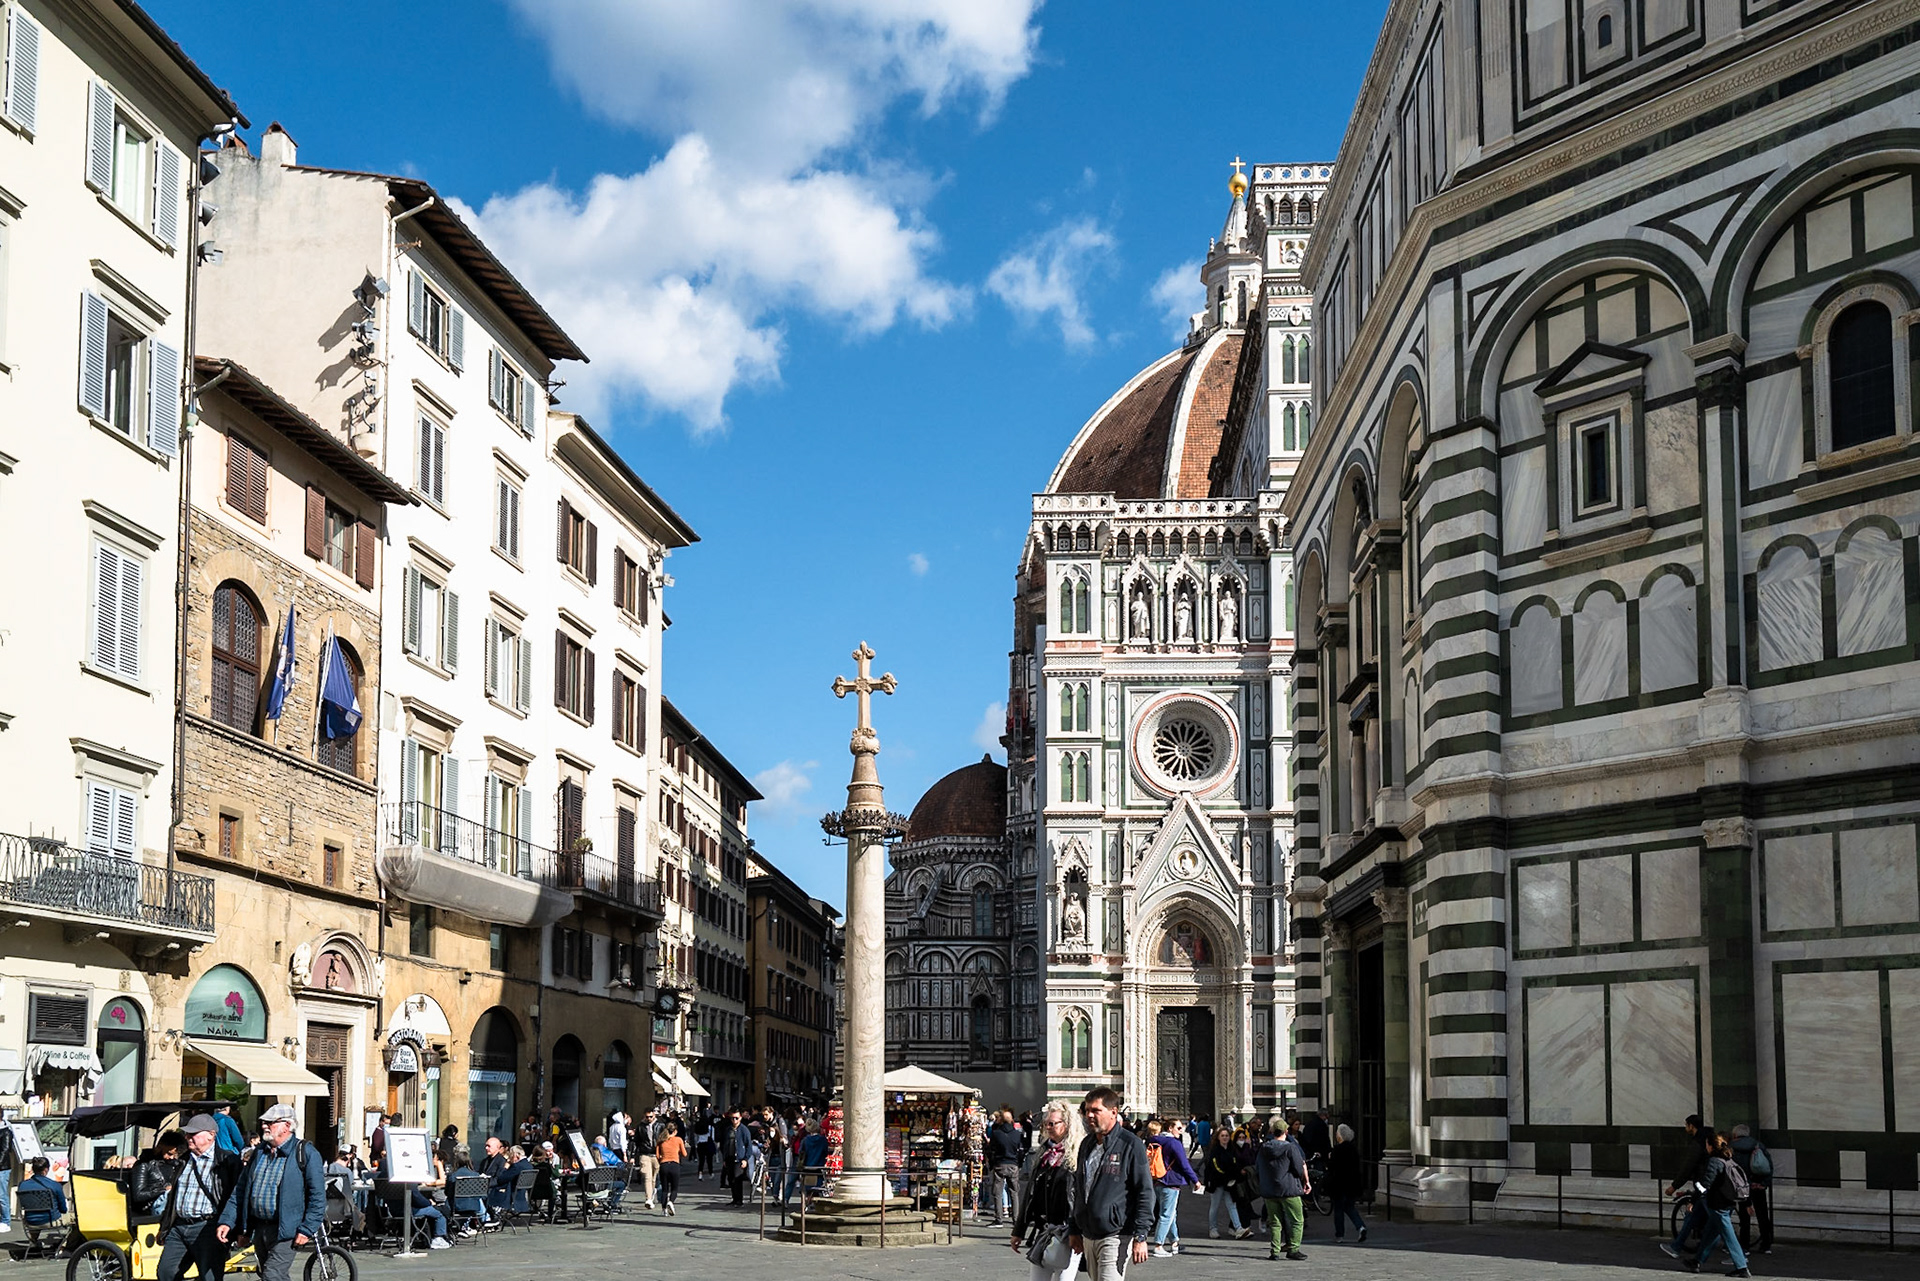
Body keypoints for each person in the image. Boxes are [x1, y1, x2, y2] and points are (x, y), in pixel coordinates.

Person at [226, 1103, 341, 1274]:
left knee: (272, 1274)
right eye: (264, 1122)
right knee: (270, 1274)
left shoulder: (305, 1152)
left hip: (286, 1229)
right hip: (260, 1227)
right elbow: (241, 1190)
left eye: (270, 1122)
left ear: (287, 1125)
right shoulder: (259, 1152)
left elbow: (317, 1196)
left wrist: (307, 1229)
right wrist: (229, 1222)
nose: (264, 1126)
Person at [1069, 1087, 1154, 1281]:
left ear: (1113, 1112)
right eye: (1087, 1110)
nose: (1089, 1115)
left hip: (1116, 1234)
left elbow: (1144, 1191)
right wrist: (1074, 1228)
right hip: (1088, 1233)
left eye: (1096, 1110)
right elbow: (1079, 1189)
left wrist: (1141, 1235)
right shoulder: (1086, 1144)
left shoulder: (1130, 1144)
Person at [155, 1118, 242, 1281]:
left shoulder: (227, 1160)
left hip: (207, 1227)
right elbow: (173, 1197)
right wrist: (165, 1226)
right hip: (179, 1226)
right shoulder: (183, 1160)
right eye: (187, 1134)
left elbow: (236, 1197)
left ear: (211, 1135)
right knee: (166, 1273)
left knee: (209, 1277)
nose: (188, 1137)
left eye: (193, 1134)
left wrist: (236, 1229)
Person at [1012, 1103, 1083, 1281]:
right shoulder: (1044, 1154)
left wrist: (1077, 1230)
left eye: (1053, 1124)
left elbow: (1081, 1197)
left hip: (1068, 1232)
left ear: (1067, 1124)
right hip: (1044, 1230)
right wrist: (1019, 1230)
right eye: (1046, 1124)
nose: (1048, 1128)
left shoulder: (1078, 1155)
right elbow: (1030, 1195)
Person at [1687, 1133, 1752, 1278]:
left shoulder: (1714, 1161)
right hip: (1728, 1203)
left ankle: (1742, 1267)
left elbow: (1705, 1184)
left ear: (1710, 1146)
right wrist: (1748, 1202)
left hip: (1718, 1204)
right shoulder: (1729, 1159)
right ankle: (1697, 1261)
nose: (1706, 1147)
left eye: (1707, 1144)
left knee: (1729, 1236)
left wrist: (1693, 1200)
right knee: (1710, 1234)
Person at [1660, 1114, 1715, 1262]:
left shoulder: (1698, 1143)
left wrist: (1674, 1186)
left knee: (1719, 1222)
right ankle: (1676, 1247)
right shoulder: (1709, 1138)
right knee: (1693, 1216)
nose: (1685, 1128)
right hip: (1705, 1185)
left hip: (1704, 1185)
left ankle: (1738, 1254)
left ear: (1691, 1126)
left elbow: (1688, 1166)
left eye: (1686, 1125)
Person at [1255, 1112, 1310, 1261]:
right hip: (1289, 1189)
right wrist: (1304, 1180)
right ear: (1286, 1131)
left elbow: (1257, 1168)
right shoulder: (1290, 1148)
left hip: (1269, 1190)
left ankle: (1275, 1251)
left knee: (1274, 1222)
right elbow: (1298, 1169)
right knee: (1297, 1220)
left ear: (1272, 1131)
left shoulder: (1263, 1148)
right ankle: (1293, 1249)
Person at [1144, 1118, 1198, 1257]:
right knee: (1166, 1214)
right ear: (1170, 1128)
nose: (1181, 1131)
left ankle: (1174, 1242)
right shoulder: (1174, 1143)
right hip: (1171, 1182)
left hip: (1156, 1180)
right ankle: (1158, 1245)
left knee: (1170, 1213)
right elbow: (1184, 1164)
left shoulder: (1153, 1140)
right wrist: (1195, 1180)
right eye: (1179, 1128)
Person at [1730, 1124, 1773, 1257]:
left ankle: (1745, 1246)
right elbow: (1769, 1166)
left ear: (1735, 1135)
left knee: (1744, 1217)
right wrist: (1764, 1184)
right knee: (1762, 1215)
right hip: (1758, 1185)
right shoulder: (1758, 1145)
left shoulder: (1732, 1147)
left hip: (1743, 1186)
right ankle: (1766, 1245)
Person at [132, 1130, 188, 1219]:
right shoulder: (144, 1164)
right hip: (151, 1207)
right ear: (160, 1146)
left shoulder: (176, 1164)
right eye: (169, 1153)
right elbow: (138, 1195)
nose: (171, 1157)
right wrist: (163, 1189)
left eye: (175, 1155)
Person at [1203, 1127, 1248, 1239]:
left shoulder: (1231, 1149)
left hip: (1229, 1183)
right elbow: (1216, 1167)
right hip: (1217, 1182)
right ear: (1218, 1137)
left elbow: (1235, 1164)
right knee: (1215, 1206)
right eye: (1222, 1136)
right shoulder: (1215, 1151)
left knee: (1232, 1205)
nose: (1225, 1138)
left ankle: (1238, 1228)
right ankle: (1213, 1229)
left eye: (1226, 1136)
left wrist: (1233, 1176)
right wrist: (1228, 1175)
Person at [1327, 1123, 1368, 1243]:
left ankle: (1339, 1235)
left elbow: (1332, 1167)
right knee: (1350, 1207)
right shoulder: (1353, 1149)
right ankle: (1360, 1226)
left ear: (1340, 1135)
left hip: (1339, 1184)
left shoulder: (1337, 1150)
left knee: (1339, 1209)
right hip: (1352, 1183)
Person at [985, 1108, 1026, 1225]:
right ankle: (1016, 1219)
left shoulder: (996, 1134)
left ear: (1001, 1120)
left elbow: (991, 1150)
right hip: (1013, 1164)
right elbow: (1021, 1150)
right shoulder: (1017, 1134)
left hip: (1000, 1164)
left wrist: (992, 1163)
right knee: (1014, 1192)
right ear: (1012, 1120)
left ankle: (999, 1218)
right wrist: (1019, 1163)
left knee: (997, 1192)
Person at [19, 1156, 67, 1226]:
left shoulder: (22, 1185)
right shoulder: (55, 1185)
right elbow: (63, 1209)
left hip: (30, 1221)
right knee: (73, 1218)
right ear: (46, 1170)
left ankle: (34, 1232)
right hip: (50, 1220)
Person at [656, 1123, 687, 1216]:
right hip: (674, 1165)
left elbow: (657, 1155)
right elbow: (684, 1154)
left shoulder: (661, 1140)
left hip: (664, 1165)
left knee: (664, 1189)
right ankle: (671, 1201)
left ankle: (664, 1209)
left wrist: (662, 1160)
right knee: (674, 1188)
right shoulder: (678, 1140)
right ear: (675, 1131)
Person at [633, 1108, 660, 1209]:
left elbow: (663, 1139)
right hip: (644, 1154)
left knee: (654, 1177)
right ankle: (648, 1198)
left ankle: (651, 1194)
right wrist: (633, 1156)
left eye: (651, 1117)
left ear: (654, 1116)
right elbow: (636, 1141)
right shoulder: (640, 1126)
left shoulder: (660, 1125)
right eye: (647, 1117)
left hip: (656, 1154)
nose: (649, 1119)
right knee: (647, 1177)